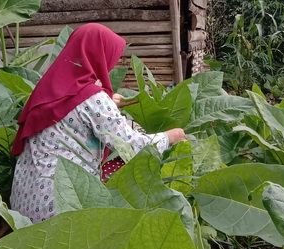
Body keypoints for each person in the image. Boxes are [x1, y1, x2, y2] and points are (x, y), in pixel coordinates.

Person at [10, 23, 187, 223]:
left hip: (23, 205)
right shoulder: (94, 100)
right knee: (123, 167)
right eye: (110, 57)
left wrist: (107, 100)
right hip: (61, 205)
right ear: (97, 55)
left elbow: (73, 107)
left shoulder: (50, 86)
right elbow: (131, 146)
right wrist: (170, 137)